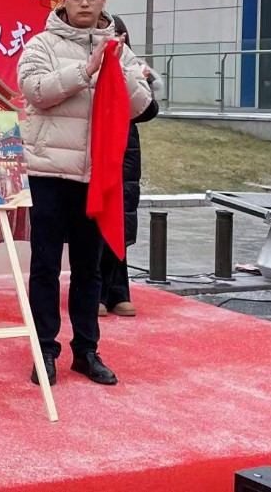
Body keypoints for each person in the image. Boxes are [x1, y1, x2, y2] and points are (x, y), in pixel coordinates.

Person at [17, 0, 152, 387]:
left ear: (103, 0)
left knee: (89, 269)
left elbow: (139, 107)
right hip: (50, 171)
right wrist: (86, 70)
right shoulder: (41, 44)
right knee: (45, 266)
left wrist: (122, 69)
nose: (85, 3)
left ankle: (86, 351)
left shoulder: (120, 49)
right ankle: (44, 350)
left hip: (97, 175)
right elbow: (35, 91)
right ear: (63, 0)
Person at [99, 16, 161, 318]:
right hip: (99, 146)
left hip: (126, 148)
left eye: (120, 35)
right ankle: (97, 292)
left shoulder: (134, 67)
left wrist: (136, 78)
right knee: (101, 219)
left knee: (122, 219)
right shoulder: (92, 63)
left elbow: (149, 110)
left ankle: (119, 291)